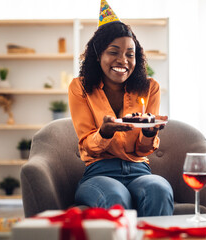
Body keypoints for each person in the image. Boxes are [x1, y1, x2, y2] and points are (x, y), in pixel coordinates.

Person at [68, 0, 174, 217]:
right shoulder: (80, 87)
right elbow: (87, 147)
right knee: (115, 197)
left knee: (159, 189)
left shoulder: (150, 88)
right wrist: (105, 133)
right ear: (98, 56)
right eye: (113, 52)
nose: (122, 60)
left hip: (139, 170)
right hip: (99, 173)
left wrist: (148, 133)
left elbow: (144, 151)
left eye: (130, 54)